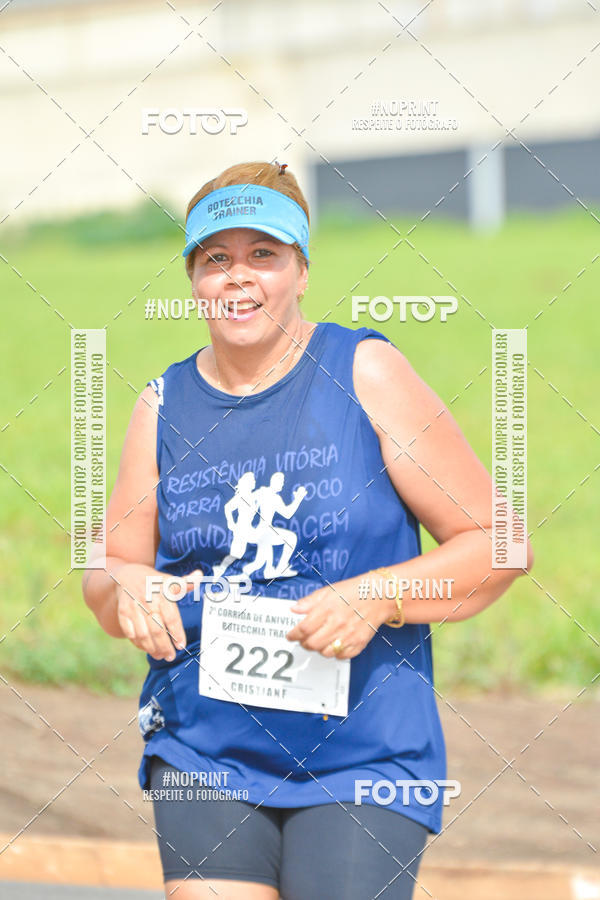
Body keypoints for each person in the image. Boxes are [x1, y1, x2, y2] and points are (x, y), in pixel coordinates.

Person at [83, 160, 534, 900]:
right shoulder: (160, 406)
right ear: (194, 279)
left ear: (300, 269)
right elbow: (108, 575)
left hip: (363, 754)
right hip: (205, 748)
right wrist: (129, 590)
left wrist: (376, 596)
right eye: (215, 259)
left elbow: (500, 543)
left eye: (264, 254)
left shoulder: (364, 371)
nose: (239, 277)